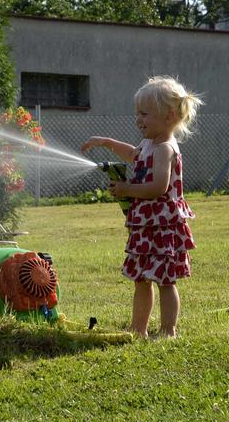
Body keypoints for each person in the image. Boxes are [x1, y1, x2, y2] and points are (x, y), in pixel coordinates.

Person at [81, 76, 202, 338]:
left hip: (162, 224)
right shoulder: (149, 144)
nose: (138, 119)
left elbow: (159, 187)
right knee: (141, 278)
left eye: (144, 114)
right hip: (146, 225)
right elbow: (132, 155)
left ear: (169, 116)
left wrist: (127, 190)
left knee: (165, 280)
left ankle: (168, 330)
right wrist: (107, 142)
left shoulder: (165, 149)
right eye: (137, 113)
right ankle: (139, 329)